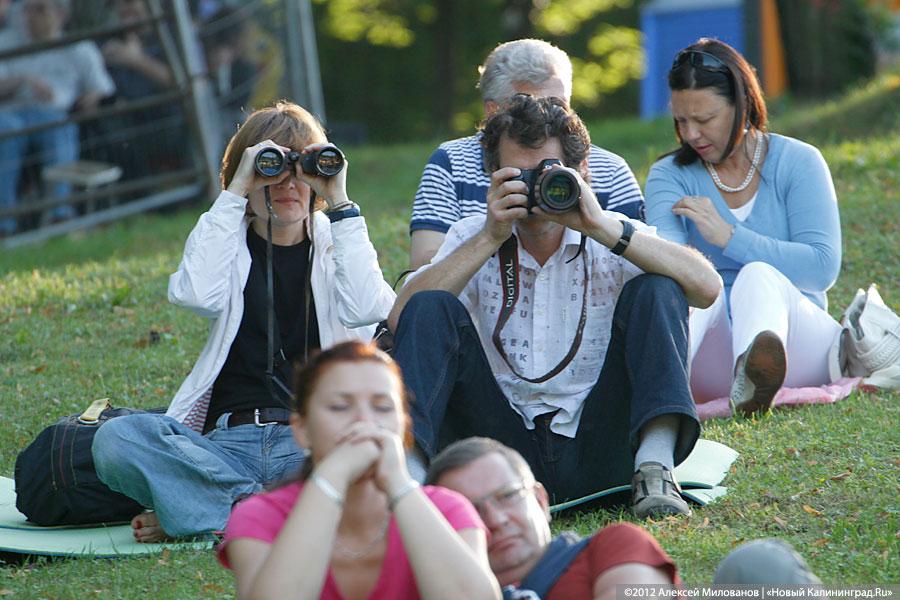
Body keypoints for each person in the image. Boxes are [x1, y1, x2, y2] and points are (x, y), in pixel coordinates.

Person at [388, 95, 723, 518]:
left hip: (602, 441)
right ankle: (409, 486)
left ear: (582, 171)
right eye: (519, 177)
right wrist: (490, 238)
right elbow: (402, 318)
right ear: (493, 177)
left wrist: (600, 226)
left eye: (548, 173)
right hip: (497, 450)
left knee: (659, 286)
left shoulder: (614, 233)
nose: (535, 190)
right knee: (430, 304)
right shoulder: (472, 235)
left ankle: (655, 470)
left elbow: (707, 288)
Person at [92, 101, 396, 541]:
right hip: (224, 447)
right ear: (248, 175)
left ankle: (212, 510)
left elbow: (368, 309)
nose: (288, 183)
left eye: (302, 169)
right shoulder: (226, 242)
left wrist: (340, 200)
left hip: (308, 442)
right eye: (271, 168)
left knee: (376, 461)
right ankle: (271, 510)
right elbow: (195, 294)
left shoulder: (338, 241)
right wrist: (235, 192)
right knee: (117, 438)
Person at [644, 38, 842, 415]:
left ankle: (756, 376)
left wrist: (731, 238)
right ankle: (663, 389)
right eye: (681, 121)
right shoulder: (669, 175)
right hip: (713, 358)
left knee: (757, 275)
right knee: (698, 284)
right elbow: (664, 262)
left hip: (799, 344)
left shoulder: (799, 161)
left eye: (704, 120)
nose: (691, 134)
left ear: (743, 104)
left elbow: (821, 268)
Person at [219, 341, 502, 600]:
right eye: (340, 407)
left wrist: (399, 483)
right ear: (302, 429)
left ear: (404, 427)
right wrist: (332, 476)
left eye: (383, 407)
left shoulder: (446, 510)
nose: (365, 421)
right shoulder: (262, 516)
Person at [409, 38, 645, 269]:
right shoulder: (452, 162)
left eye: (558, 105)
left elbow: (645, 264)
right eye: (527, 104)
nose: (543, 116)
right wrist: (489, 235)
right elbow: (423, 266)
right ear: (492, 112)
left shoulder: (609, 169)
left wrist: (596, 224)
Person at [428, 437, 680, 599]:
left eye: (507, 496)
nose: (496, 520)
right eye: (470, 511)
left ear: (540, 500)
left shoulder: (615, 546)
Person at [0, 0, 115, 234]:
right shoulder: (6, 42)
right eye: (28, 9)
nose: (32, 16)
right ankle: (5, 222)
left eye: (41, 9)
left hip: (55, 115)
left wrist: (91, 98)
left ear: (61, 15)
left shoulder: (79, 48)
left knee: (61, 128)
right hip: (11, 114)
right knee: (7, 131)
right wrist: (23, 80)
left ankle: (59, 215)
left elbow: (103, 88)